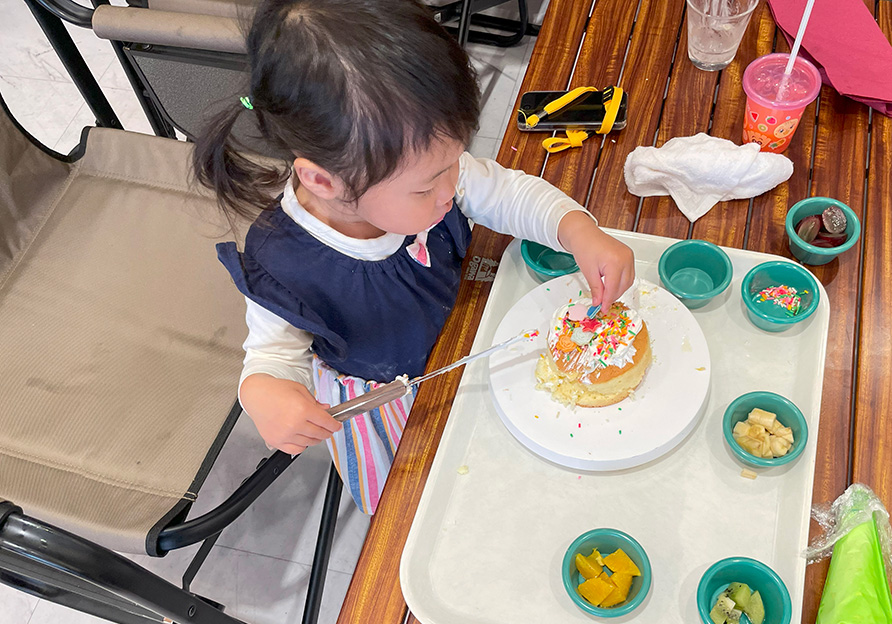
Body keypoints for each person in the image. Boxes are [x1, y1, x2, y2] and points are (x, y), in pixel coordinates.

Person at [193, 0, 635, 514]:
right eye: (429, 186)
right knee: (429, 507)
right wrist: (265, 393)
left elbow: (507, 194)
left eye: (453, 164)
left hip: (468, 333)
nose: (453, 189)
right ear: (323, 180)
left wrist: (578, 231)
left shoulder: (419, 170)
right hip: (390, 401)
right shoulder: (282, 259)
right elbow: (272, 354)